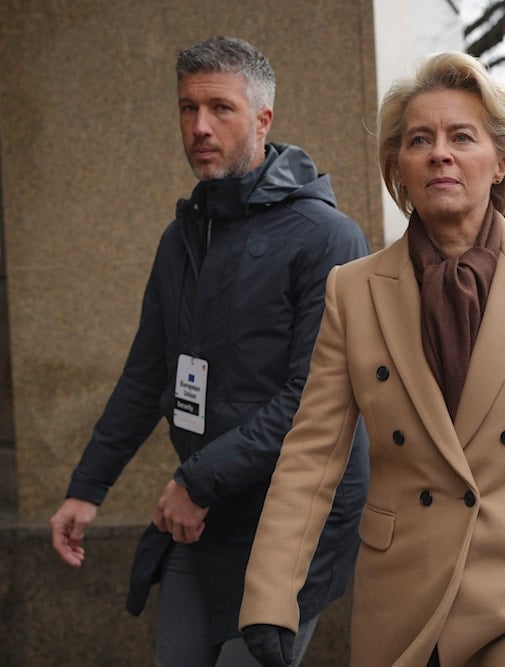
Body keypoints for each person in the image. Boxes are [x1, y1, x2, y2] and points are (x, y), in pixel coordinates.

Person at [238, 51, 505, 667]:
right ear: (399, 169)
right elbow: (311, 457)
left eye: (462, 137)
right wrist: (271, 595)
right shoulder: (352, 290)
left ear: (500, 163)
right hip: (402, 595)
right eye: (419, 140)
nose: (440, 153)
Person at [47, 35, 371, 667]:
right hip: (201, 514)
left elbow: (313, 402)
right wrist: (87, 487)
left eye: (220, 108)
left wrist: (194, 481)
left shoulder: (327, 237)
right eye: (186, 108)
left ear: (262, 119)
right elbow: (147, 376)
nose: (199, 126)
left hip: (294, 516)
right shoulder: (182, 237)